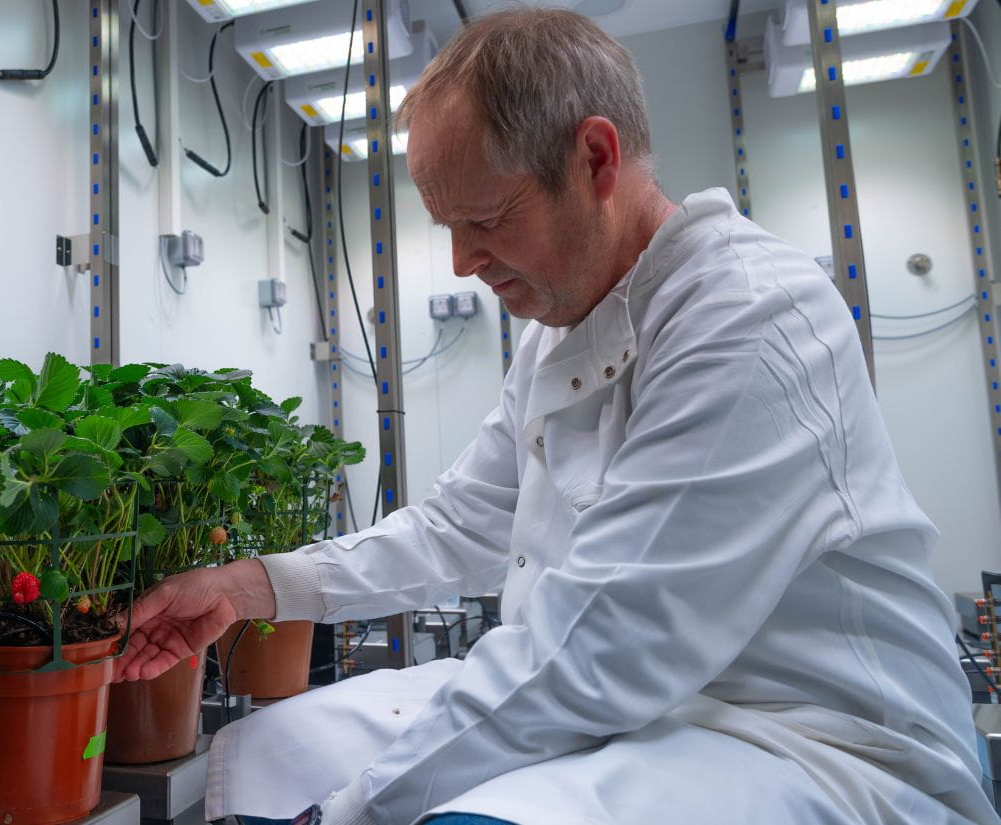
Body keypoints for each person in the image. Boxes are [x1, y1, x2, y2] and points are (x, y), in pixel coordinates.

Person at [114, 8, 998, 825]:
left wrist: (351, 812)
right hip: (637, 716)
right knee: (272, 748)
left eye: (487, 218)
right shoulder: (560, 330)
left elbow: (603, 645)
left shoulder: (749, 318)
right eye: (445, 226)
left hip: (811, 744)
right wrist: (245, 586)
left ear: (597, 160)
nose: (462, 262)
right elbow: (458, 524)